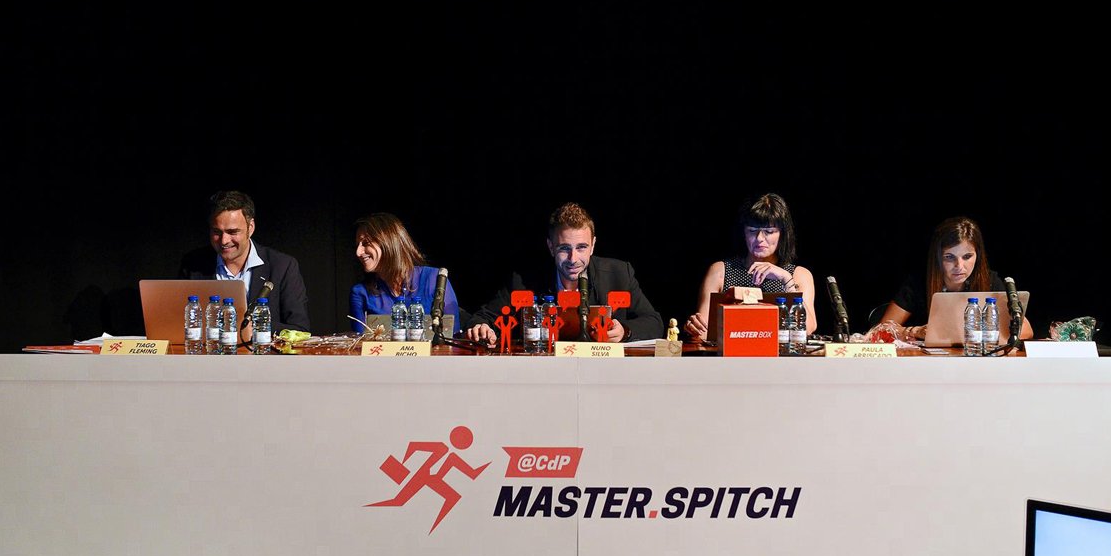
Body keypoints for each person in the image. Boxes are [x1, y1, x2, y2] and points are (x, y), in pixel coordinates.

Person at [465, 202, 664, 346]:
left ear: (593, 245)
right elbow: (482, 318)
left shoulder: (619, 274)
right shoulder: (524, 280)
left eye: (581, 247)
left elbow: (654, 322)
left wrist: (624, 331)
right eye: (564, 248)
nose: (573, 258)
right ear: (551, 247)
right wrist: (482, 328)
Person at [684, 192, 817, 341]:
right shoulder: (721, 271)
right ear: (743, 233)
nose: (759, 238)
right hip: (731, 353)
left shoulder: (799, 274)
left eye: (769, 232)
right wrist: (694, 328)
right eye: (752, 231)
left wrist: (785, 278)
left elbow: (808, 327)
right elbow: (703, 332)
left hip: (779, 353)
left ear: (783, 234)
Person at [879, 216, 1033, 343]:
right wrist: (915, 331)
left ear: (978, 256)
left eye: (967, 257)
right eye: (949, 257)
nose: (959, 266)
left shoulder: (989, 280)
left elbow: (1026, 330)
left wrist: (975, 336)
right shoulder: (919, 282)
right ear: (937, 258)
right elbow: (881, 330)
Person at [178, 190, 310, 334]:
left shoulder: (283, 266)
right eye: (217, 232)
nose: (224, 241)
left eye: (232, 232)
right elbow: (177, 321)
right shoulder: (192, 264)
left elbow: (300, 330)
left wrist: (255, 328)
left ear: (250, 228)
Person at [349, 212, 460, 335]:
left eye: (365, 243)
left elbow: (452, 337)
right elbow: (359, 343)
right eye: (357, 245)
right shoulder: (360, 293)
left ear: (389, 241)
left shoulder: (435, 279)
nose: (358, 252)